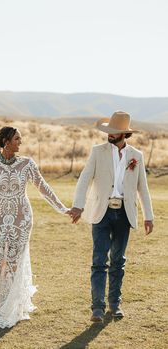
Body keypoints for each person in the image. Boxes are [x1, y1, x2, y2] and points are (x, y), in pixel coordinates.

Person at [0, 126, 69, 328]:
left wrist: (62, 208)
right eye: (17, 138)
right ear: (6, 141)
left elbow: (43, 187)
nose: (21, 142)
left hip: (22, 219)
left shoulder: (27, 164)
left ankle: (10, 303)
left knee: (13, 261)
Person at [69, 111, 154, 322]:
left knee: (118, 260)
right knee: (99, 260)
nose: (110, 135)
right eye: (109, 131)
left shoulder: (137, 155)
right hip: (101, 212)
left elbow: (143, 188)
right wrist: (78, 206)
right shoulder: (97, 152)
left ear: (123, 134)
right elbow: (84, 179)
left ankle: (115, 304)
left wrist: (148, 216)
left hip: (125, 214)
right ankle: (97, 308)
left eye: (114, 132)